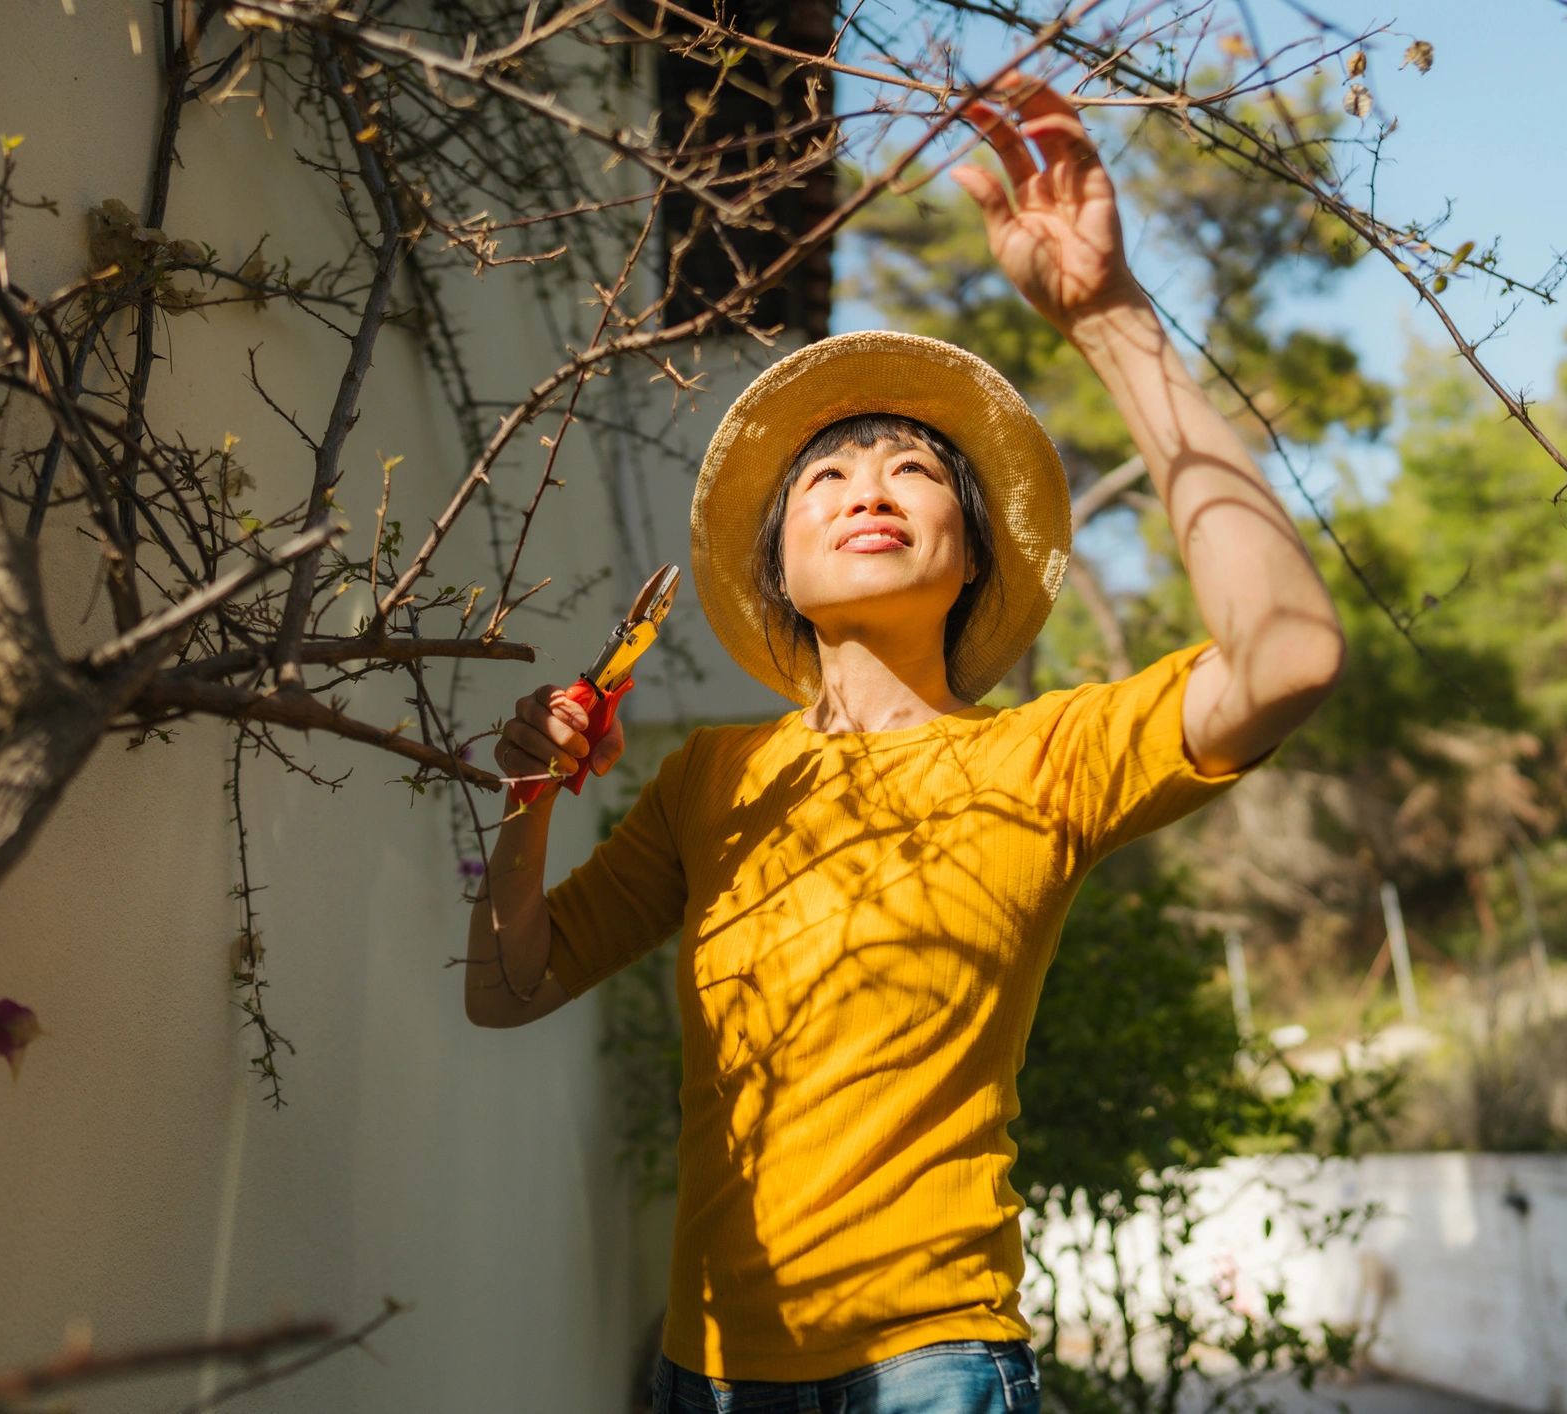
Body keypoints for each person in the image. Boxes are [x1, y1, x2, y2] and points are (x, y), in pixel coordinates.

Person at [464, 71, 1345, 1413]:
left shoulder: (1045, 758)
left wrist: (1108, 319)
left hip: (937, 1371)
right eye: (824, 475)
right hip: (705, 1376)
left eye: (914, 470)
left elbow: (1287, 655)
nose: (866, 486)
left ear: (973, 554)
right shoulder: (712, 779)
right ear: (778, 568)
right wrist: (529, 794)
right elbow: (508, 986)